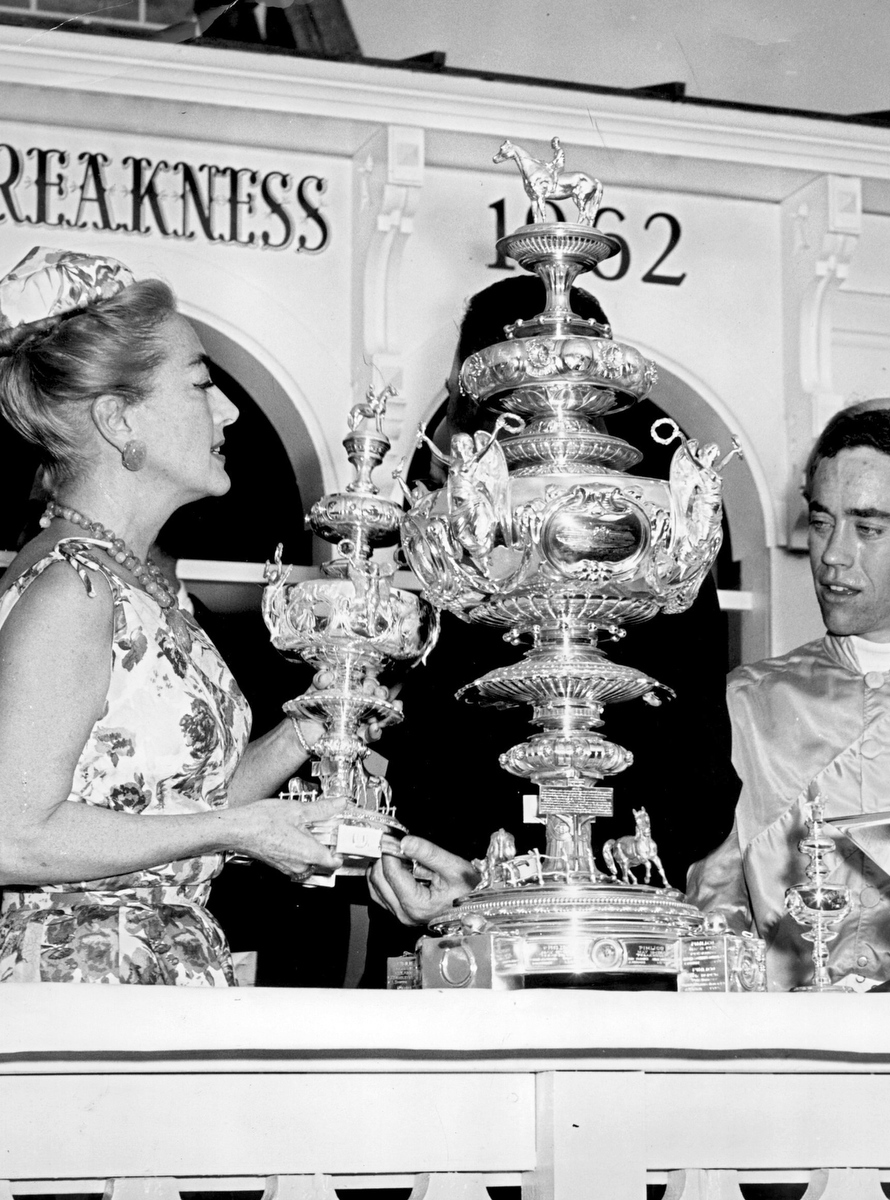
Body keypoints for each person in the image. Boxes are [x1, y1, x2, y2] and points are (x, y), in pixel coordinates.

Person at [0, 245, 471, 985]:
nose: (226, 408)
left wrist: (312, 730)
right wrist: (239, 832)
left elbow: (175, 809)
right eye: (199, 384)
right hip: (83, 976)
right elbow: (13, 836)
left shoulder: (140, 586)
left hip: (161, 964)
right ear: (120, 420)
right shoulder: (73, 586)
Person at [361, 275, 739, 982]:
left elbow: (697, 770)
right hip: (457, 912)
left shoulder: (649, 538)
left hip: (604, 930)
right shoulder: (450, 521)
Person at [686, 401, 890, 990]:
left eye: (867, 528)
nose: (834, 554)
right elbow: (712, 907)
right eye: (820, 522)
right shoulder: (742, 706)